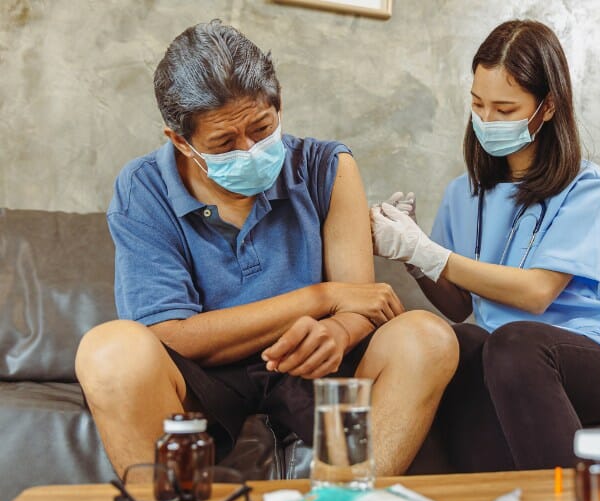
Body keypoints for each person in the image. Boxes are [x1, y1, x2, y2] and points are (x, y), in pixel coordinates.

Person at [75, 20, 458, 478]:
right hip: (204, 380)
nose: (251, 150)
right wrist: (318, 299)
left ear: (279, 104)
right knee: (108, 350)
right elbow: (170, 333)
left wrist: (337, 333)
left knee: (427, 337)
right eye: (224, 143)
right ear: (180, 140)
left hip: (314, 369)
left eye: (262, 127)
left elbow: (358, 303)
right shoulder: (144, 188)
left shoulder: (327, 166)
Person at [371, 19, 600, 471]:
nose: (487, 120)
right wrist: (413, 255)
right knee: (453, 342)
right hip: (503, 356)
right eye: (478, 104)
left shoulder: (585, 186)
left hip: (591, 351)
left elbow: (536, 293)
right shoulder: (461, 193)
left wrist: (432, 254)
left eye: (505, 110)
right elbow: (458, 304)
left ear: (546, 107)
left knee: (513, 342)